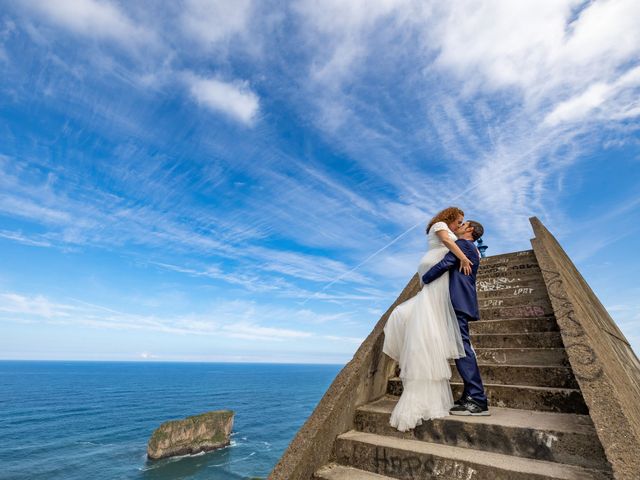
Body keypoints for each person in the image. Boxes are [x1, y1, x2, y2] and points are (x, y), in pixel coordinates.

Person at [382, 207, 474, 431]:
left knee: (428, 329)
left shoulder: (458, 236)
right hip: (434, 271)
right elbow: (446, 241)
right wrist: (463, 257)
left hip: (439, 277)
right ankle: (417, 398)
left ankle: (429, 396)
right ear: (450, 217)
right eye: (458, 221)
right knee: (419, 320)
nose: (458, 225)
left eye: (463, 223)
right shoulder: (440, 226)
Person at [422, 220, 489, 416]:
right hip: (463, 302)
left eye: (463, 224)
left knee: (462, 349)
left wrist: (424, 278)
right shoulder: (473, 249)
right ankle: (470, 395)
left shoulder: (463, 245)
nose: (458, 226)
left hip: (458, 303)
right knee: (461, 348)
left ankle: (477, 399)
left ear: (470, 230)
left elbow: (446, 263)